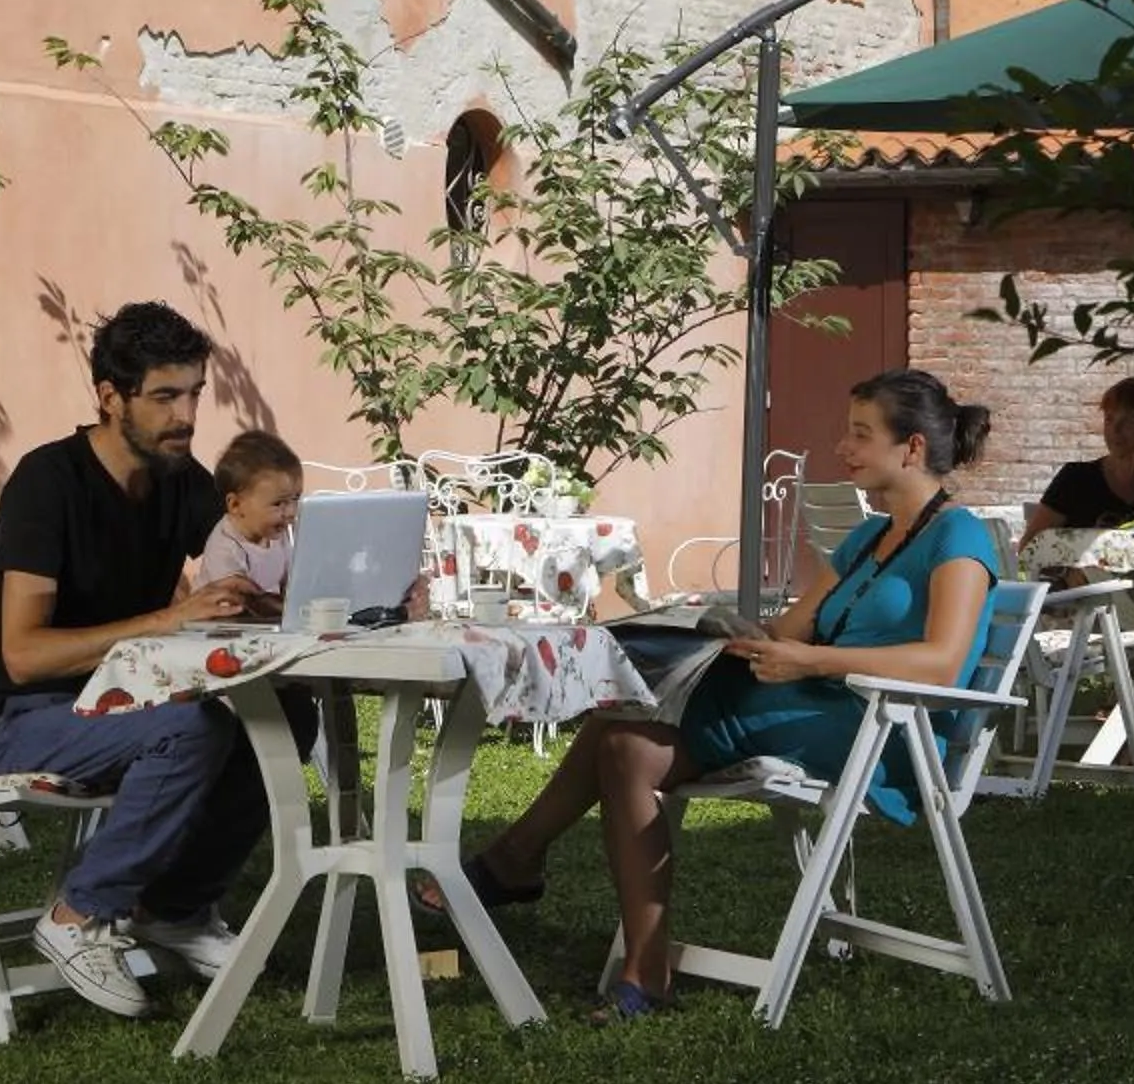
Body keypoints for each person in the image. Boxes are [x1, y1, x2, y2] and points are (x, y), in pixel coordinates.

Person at [420, 368, 1000, 1022]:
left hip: (886, 731)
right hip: (814, 704)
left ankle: (515, 861)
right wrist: (728, 631)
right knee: (628, 745)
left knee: (630, 717)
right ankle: (642, 968)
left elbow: (944, 662)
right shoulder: (866, 539)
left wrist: (807, 657)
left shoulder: (960, 536)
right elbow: (789, 631)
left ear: (912, 449)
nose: (844, 447)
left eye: (861, 435)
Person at [0, 301, 302, 1020]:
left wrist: (290, 596)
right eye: (165, 397)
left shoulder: (178, 481)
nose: (186, 416)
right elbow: (22, 655)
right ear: (110, 397)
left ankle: (172, 909)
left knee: (284, 715)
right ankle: (78, 916)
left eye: (195, 395)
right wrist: (168, 617)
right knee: (193, 730)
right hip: (21, 718)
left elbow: (232, 566)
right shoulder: (47, 485)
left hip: (127, 704)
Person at [1019, 375, 1134, 549]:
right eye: (1109, 419)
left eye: (1129, 421)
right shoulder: (1076, 478)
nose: (1115, 430)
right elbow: (1029, 546)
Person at [199, 428, 302, 610]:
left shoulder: (278, 533)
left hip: (255, 628)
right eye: (278, 504)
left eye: (295, 499)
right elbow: (239, 598)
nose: (291, 512)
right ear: (236, 505)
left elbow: (292, 584)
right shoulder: (225, 545)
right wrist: (282, 608)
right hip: (216, 629)